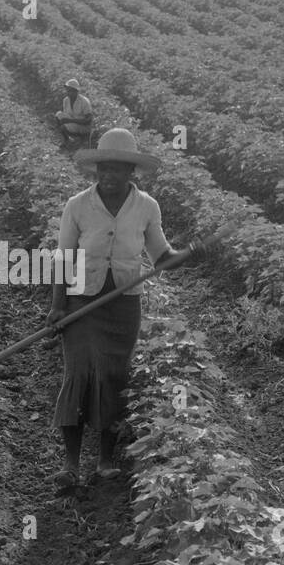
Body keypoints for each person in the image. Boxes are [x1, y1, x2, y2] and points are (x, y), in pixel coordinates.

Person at [45, 128, 192, 492]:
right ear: (96, 170)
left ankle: (106, 461)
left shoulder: (146, 207)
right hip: (82, 302)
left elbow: (161, 257)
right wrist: (57, 308)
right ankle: (70, 465)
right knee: (78, 375)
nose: (108, 177)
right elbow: (62, 258)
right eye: (103, 170)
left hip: (123, 306)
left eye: (117, 170)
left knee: (114, 379)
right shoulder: (77, 205)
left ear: (131, 172)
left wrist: (190, 255)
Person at [54, 78, 93, 147]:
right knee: (58, 115)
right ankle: (67, 140)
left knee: (63, 127)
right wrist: (67, 120)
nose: (68, 92)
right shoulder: (66, 100)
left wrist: (70, 120)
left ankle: (82, 138)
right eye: (68, 90)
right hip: (73, 121)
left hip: (83, 126)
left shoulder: (84, 101)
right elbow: (66, 114)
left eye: (71, 91)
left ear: (76, 91)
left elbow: (88, 121)